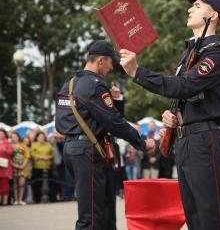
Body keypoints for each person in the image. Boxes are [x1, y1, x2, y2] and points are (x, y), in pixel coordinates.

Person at [120, 0, 220, 230]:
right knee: (193, 216)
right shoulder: (192, 52)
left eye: (198, 6)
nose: (190, 8)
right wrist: (176, 116)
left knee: (211, 216)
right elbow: (188, 94)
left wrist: (137, 73)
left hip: (204, 140)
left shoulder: (215, 53)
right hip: (186, 140)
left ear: (212, 16)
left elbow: (185, 85)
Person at [55, 40, 155, 230]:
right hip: (89, 152)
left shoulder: (69, 84)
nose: (111, 67)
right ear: (100, 60)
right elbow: (114, 122)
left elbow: (65, 123)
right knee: (92, 215)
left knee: (102, 208)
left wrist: (115, 100)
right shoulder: (95, 85)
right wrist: (142, 142)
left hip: (74, 149)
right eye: (110, 62)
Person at [30, 131, 53, 203]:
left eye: (43, 137)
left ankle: (49, 198)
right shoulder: (34, 145)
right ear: (37, 138)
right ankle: (37, 199)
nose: (41, 138)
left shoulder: (48, 145)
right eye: (40, 137)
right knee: (37, 184)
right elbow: (32, 154)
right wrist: (41, 157)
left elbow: (52, 154)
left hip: (47, 166)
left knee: (49, 183)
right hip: (37, 167)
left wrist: (48, 157)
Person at [0, 129, 13, 205]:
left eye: (2, 133)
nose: (1, 135)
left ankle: (5, 201)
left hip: (5, 166)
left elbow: (11, 152)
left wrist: (6, 151)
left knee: (5, 184)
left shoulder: (7, 143)